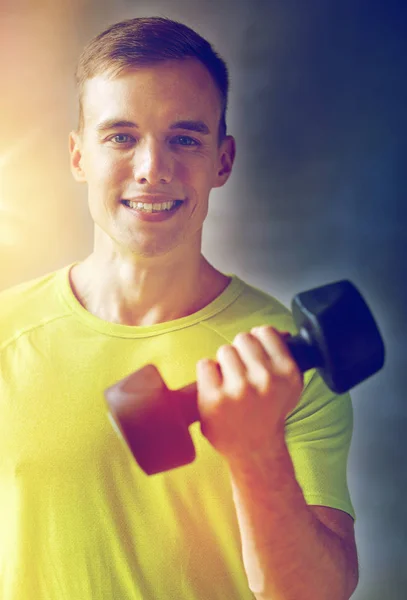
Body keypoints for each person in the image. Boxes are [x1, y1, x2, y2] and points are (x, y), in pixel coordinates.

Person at [0, 16, 359, 600]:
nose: (153, 168)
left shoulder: (285, 360)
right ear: (78, 156)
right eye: (121, 136)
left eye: (185, 138)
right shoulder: (6, 331)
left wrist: (254, 448)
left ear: (223, 160)